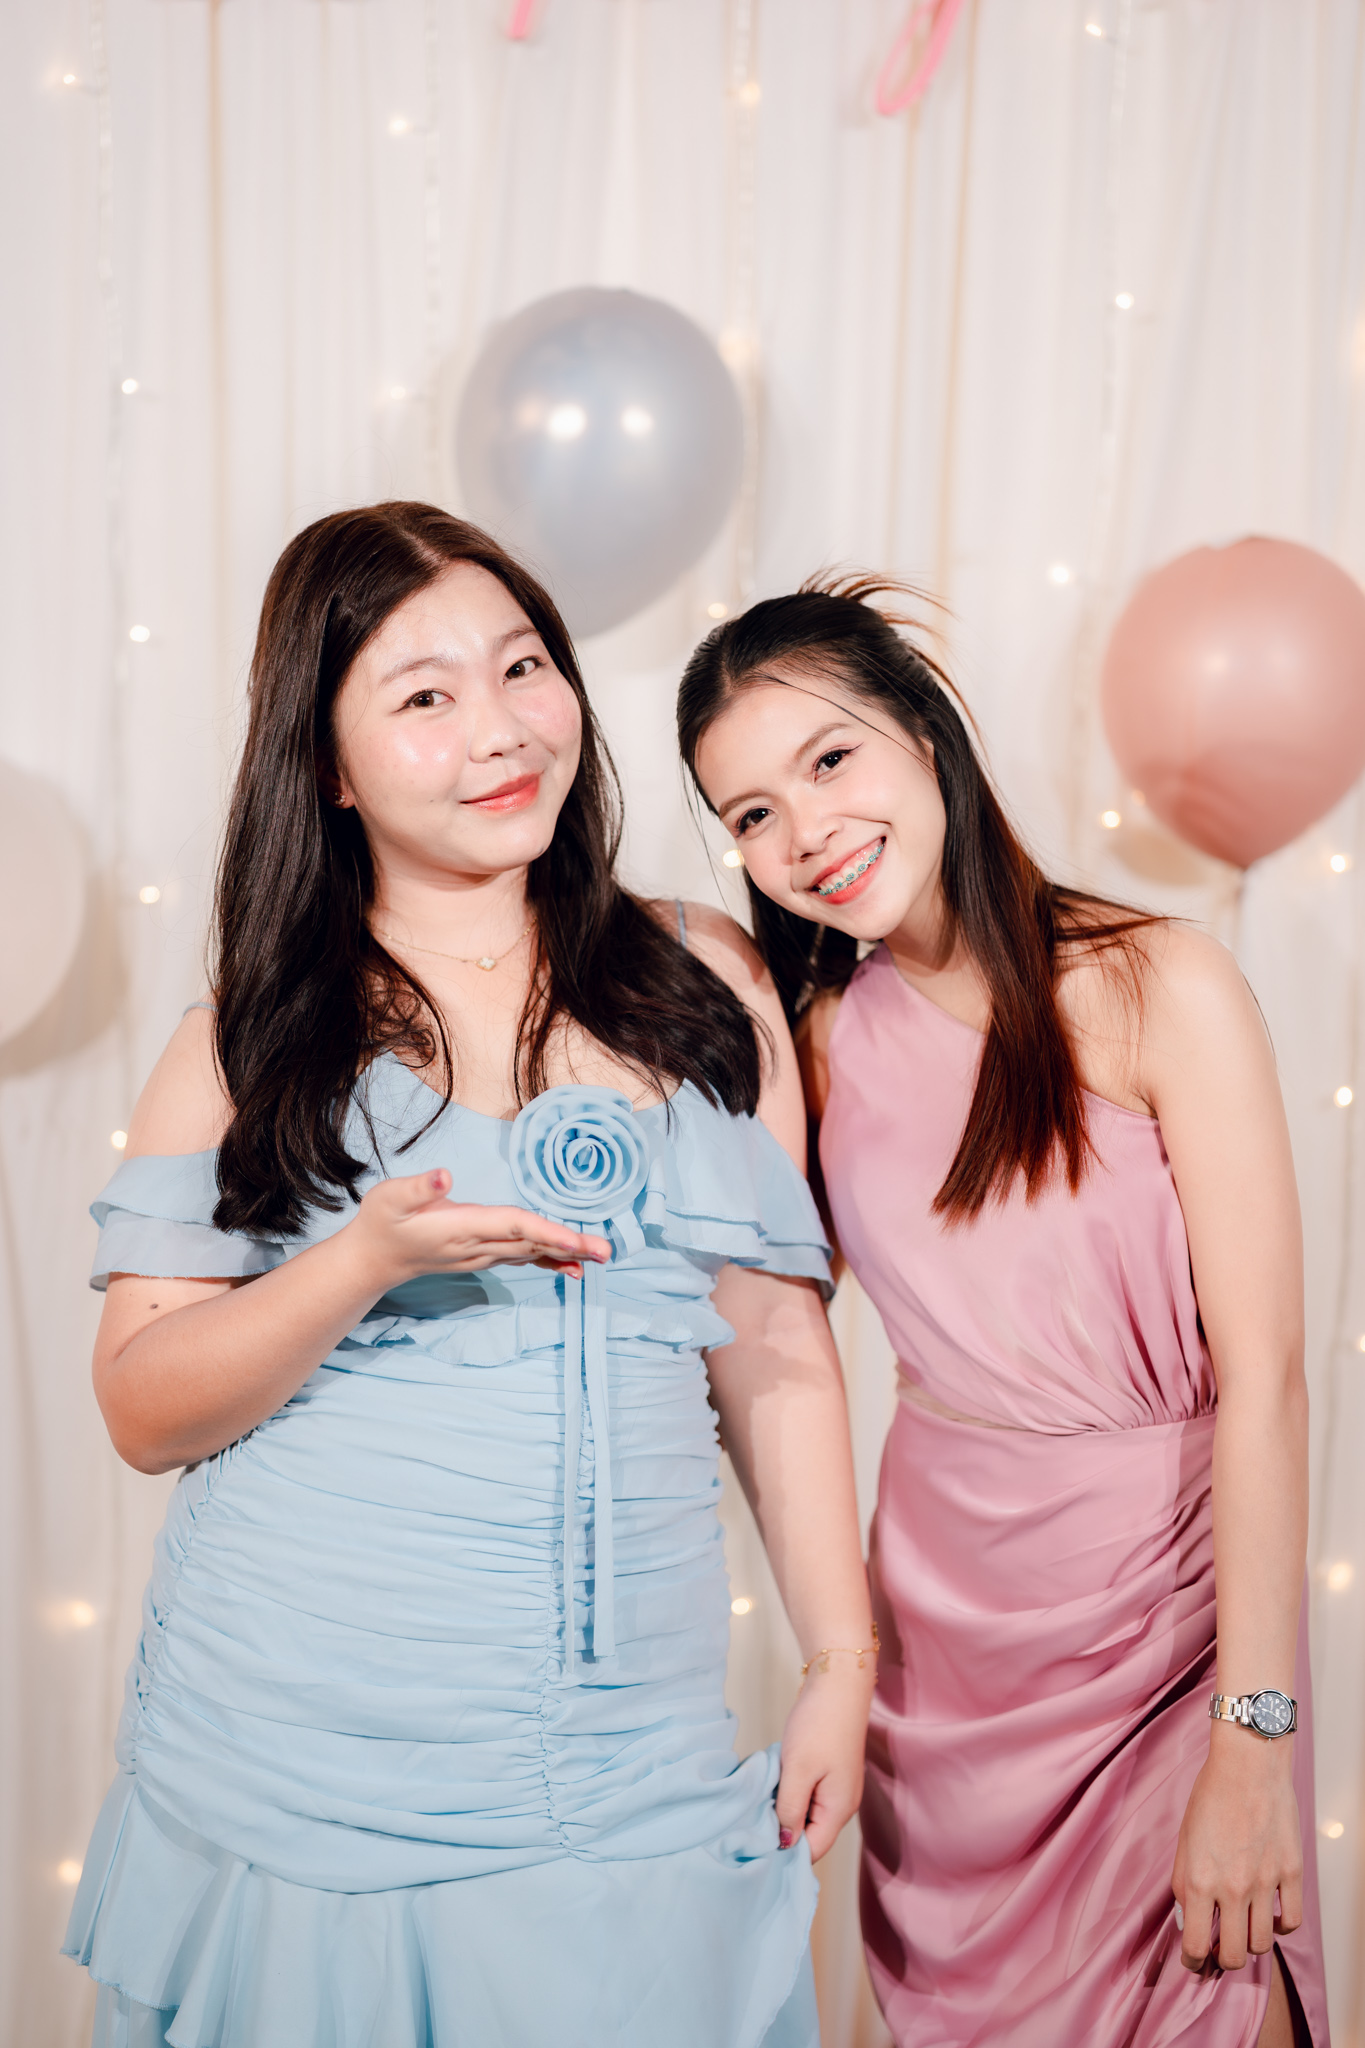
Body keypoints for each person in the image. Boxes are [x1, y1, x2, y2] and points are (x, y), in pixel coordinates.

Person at [63, 505, 877, 2048]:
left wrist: (841, 1658)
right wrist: (359, 1262)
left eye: (521, 667)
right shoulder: (249, 1040)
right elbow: (143, 1411)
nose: (500, 730)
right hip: (304, 1768)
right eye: (424, 696)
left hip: (628, 1758)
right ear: (328, 763)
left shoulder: (703, 974)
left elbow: (772, 1343)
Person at [678, 573, 1330, 2048]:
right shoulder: (819, 1043)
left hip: (1170, 1640)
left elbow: (1269, 1382)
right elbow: (756, 1339)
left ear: (924, 731)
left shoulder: (1160, 982)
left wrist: (1254, 1744)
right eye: (752, 814)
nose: (804, 833)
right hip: (946, 1660)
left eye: (828, 760)